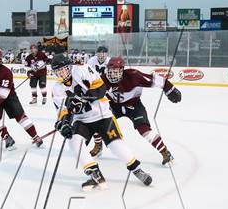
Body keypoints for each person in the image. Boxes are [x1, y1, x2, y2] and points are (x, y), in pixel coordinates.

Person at [51, 54, 152, 191]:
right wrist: (63, 124)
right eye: (58, 71)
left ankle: (137, 170)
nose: (62, 73)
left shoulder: (83, 69)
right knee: (74, 141)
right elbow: (63, 112)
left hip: (102, 115)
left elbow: (101, 88)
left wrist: (83, 98)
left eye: (64, 69)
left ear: (70, 66)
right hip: (82, 120)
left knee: (115, 144)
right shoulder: (57, 89)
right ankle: (95, 174)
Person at [102, 57, 182, 165]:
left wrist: (169, 88)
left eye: (116, 71)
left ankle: (165, 152)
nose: (113, 75)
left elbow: (157, 80)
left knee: (144, 130)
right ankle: (98, 145)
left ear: (122, 70)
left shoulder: (134, 76)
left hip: (134, 106)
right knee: (98, 121)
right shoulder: (102, 79)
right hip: (114, 106)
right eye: (111, 71)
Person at [86, 46, 111, 157]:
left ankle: (115, 146)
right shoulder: (91, 61)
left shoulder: (110, 61)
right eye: (99, 53)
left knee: (107, 123)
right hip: (95, 90)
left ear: (106, 54)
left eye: (104, 53)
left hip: (107, 90)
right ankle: (98, 144)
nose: (101, 55)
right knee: (95, 119)